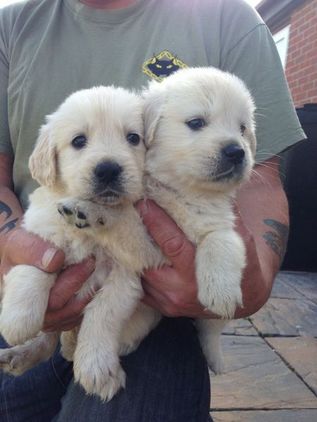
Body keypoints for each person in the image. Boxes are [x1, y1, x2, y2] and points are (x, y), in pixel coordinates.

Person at [0, 0, 305, 421]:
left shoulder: (227, 19)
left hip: (161, 302)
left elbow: (262, 178)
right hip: (24, 264)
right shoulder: (9, 26)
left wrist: (255, 278)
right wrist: (9, 246)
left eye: (132, 138)